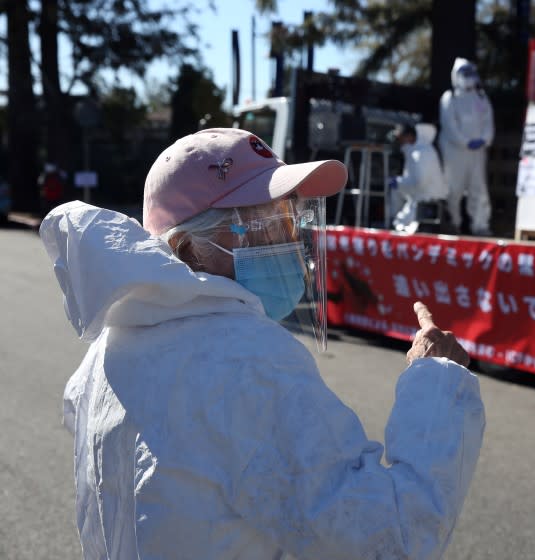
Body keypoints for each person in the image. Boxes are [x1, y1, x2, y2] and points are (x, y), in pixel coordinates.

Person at [39, 128, 485, 558]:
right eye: (264, 225)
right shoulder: (247, 360)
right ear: (189, 251)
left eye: (291, 218)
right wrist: (436, 379)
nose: (289, 243)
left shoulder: (107, 347)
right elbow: (391, 538)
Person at [439, 57, 494, 236]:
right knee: (454, 188)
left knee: (478, 188)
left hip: (477, 152)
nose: (469, 77)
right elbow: (449, 125)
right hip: (455, 152)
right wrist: (464, 141)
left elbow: (488, 122)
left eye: (471, 73)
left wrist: (484, 140)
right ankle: (453, 223)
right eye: (465, 73)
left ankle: (480, 225)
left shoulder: (481, 97)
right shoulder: (450, 98)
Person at [388, 123, 448, 234]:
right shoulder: (418, 150)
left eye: (401, 137)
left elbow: (420, 182)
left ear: (409, 136)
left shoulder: (421, 153)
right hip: (420, 196)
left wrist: (399, 182)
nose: (399, 141)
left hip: (427, 199)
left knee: (401, 225)